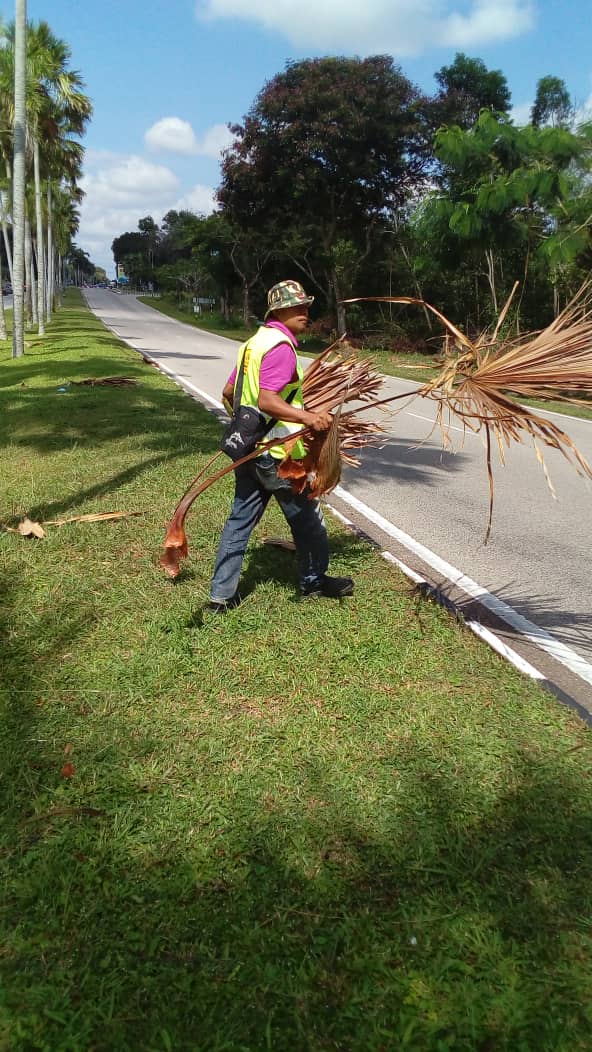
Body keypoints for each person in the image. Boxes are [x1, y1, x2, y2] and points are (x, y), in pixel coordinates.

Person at [208, 279, 354, 612]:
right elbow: (267, 399)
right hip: (277, 455)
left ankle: (220, 596)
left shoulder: (252, 344)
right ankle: (314, 582)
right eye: (297, 307)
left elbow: (230, 392)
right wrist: (307, 418)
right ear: (278, 311)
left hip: (249, 451)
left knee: (239, 522)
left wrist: (247, 428)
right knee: (309, 521)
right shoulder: (282, 348)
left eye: (306, 305)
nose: (305, 312)